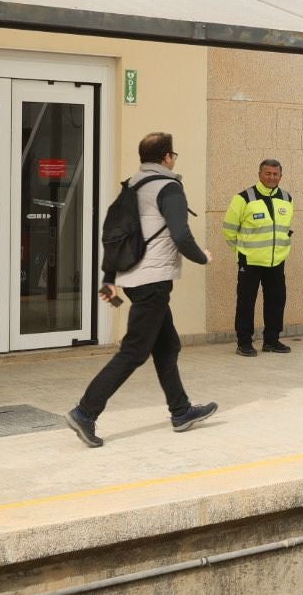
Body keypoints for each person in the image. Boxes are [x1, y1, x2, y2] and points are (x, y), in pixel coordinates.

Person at [65, 132, 217, 448]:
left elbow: (114, 233)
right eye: (173, 154)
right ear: (167, 157)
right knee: (134, 351)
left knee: (167, 345)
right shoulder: (168, 186)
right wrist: (203, 257)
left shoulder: (133, 185)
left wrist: (110, 276)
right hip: (153, 281)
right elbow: (181, 234)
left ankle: (181, 411)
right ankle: (85, 412)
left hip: (133, 279)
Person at [223, 158, 294, 356]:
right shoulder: (244, 198)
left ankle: (272, 340)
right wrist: (241, 251)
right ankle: (244, 342)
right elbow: (229, 229)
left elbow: (285, 228)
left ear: (281, 175)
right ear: (259, 175)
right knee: (246, 302)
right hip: (250, 261)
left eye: (275, 174)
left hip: (276, 261)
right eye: (268, 173)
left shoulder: (287, 199)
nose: (272, 177)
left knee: (276, 300)